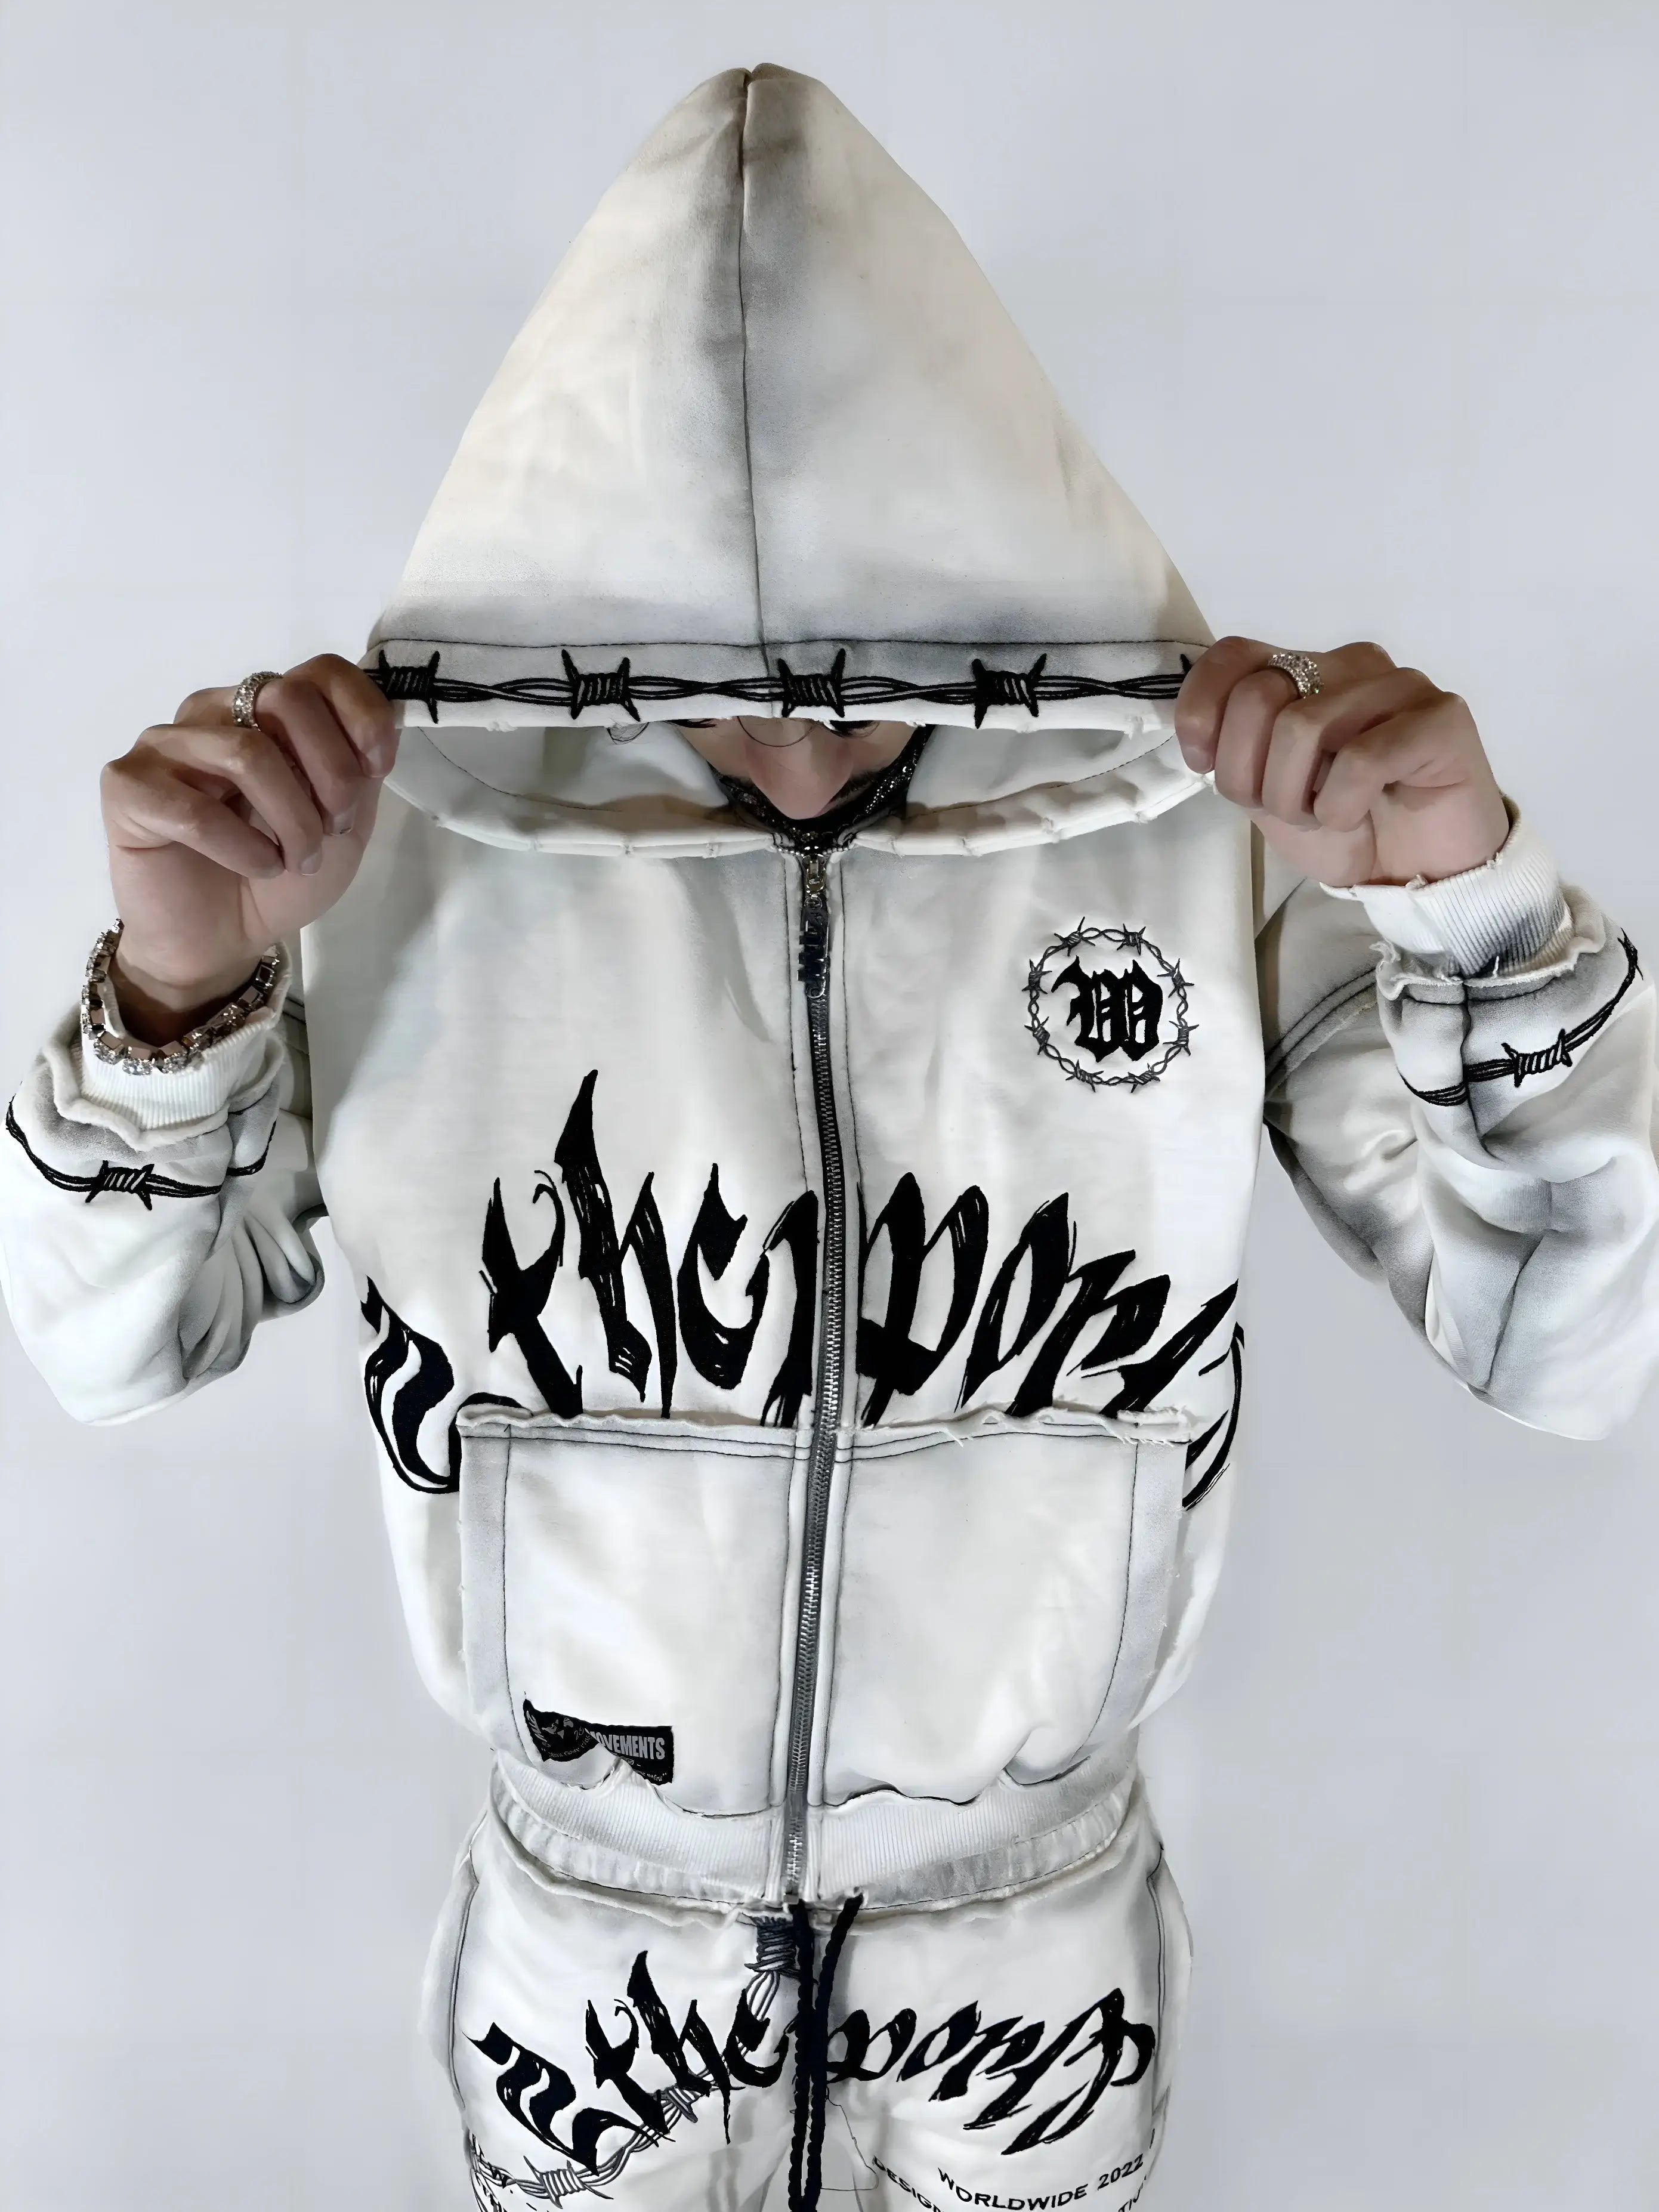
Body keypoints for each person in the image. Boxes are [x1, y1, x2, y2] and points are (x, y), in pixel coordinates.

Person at [2, 61, 1656, 2212]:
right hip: (586, 1961)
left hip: (1034, 1954)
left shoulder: (1202, 841)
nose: (793, 738)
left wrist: (1470, 904)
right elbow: (111, 1348)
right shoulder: (384, 844)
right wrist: (179, 985)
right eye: (696, 664)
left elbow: (1574, 1342)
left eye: (877, 658)